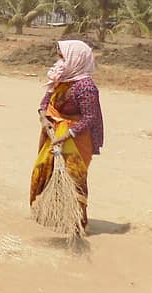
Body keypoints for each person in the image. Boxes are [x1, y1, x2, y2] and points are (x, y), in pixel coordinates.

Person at [30, 40, 104, 229]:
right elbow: (45, 101)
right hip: (54, 133)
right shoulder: (61, 79)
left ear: (76, 59)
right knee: (45, 170)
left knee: (73, 177)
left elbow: (89, 117)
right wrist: (43, 116)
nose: (60, 61)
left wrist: (68, 134)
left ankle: (76, 221)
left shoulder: (86, 87)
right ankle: (52, 216)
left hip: (76, 140)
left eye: (63, 57)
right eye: (60, 56)